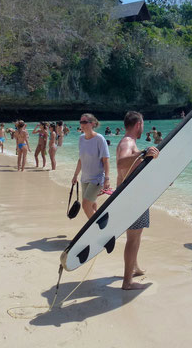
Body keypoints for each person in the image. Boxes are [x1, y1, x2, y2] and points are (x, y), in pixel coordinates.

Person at [116, 111, 159, 290]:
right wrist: (143, 152)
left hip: (128, 195)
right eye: (143, 125)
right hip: (131, 197)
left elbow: (133, 169)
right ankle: (127, 282)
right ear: (138, 125)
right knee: (133, 238)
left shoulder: (128, 142)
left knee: (134, 236)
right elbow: (121, 163)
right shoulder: (128, 142)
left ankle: (134, 267)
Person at [71, 113, 110, 219]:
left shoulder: (99, 139)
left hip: (97, 179)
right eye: (81, 122)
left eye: (84, 122)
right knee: (91, 204)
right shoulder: (81, 138)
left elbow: (106, 160)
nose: (81, 124)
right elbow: (81, 159)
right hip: (85, 179)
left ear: (92, 124)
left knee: (85, 205)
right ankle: (100, 221)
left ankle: (94, 229)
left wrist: (107, 179)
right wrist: (75, 175)